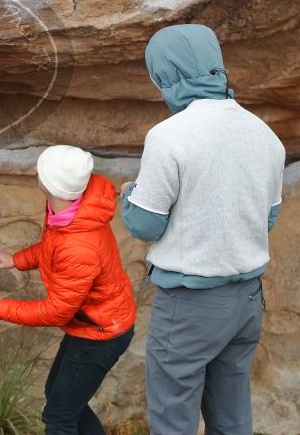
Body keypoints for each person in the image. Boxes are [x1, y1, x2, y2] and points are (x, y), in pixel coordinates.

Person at [120, 24, 284, 435]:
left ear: (163, 74)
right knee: (231, 412)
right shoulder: (265, 134)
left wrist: (129, 196)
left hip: (190, 305)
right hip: (246, 299)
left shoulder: (169, 136)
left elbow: (144, 223)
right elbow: (266, 219)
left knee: (174, 417)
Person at [0, 145, 136, 435]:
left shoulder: (78, 244)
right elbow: (53, 247)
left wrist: (0, 308)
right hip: (96, 324)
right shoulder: (73, 211)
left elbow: (58, 310)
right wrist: (17, 260)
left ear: (51, 185)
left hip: (100, 333)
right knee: (60, 398)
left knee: (59, 418)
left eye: (41, 170)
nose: (35, 171)